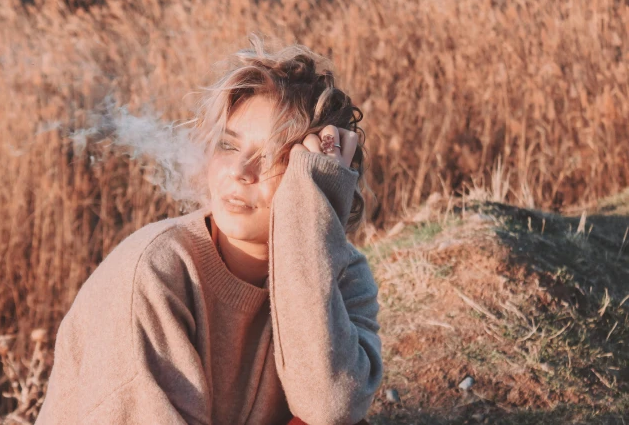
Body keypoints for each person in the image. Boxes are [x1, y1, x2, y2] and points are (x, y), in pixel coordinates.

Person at [36, 35, 383, 425]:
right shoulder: (153, 273)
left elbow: (330, 405)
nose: (239, 171)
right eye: (228, 146)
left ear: (319, 181)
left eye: (275, 156)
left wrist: (308, 223)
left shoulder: (345, 275)